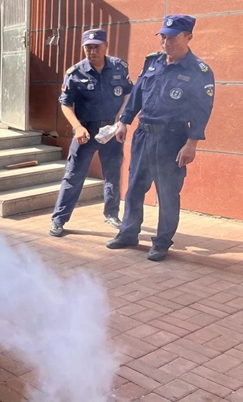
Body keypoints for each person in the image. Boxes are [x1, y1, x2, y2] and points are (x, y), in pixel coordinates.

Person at [106, 15, 215, 261]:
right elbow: (137, 94)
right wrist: (124, 121)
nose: (166, 43)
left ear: (188, 37)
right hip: (144, 135)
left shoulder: (199, 71)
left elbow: (202, 110)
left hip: (172, 139)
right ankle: (128, 233)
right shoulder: (152, 62)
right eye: (163, 37)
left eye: (172, 38)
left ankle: (162, 242)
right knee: (135, 188)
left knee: (167, 193)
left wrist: (192, 143)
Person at [49, 29, 133, 237]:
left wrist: (122, 118)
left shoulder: (119, 67)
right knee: (73, 176)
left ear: (106, 46)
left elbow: (128, 93)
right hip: (85, 132)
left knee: (113, 174)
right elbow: (65, 104)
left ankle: (111, 214)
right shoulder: (75, 73)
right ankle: (59, 219)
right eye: (88, 47)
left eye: (96, 47)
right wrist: (77, 127)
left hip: (111, 131)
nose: (92, 51)